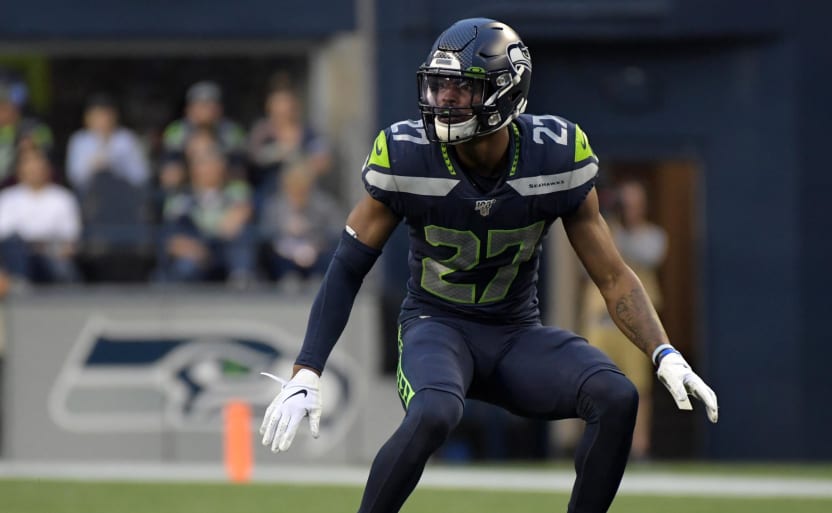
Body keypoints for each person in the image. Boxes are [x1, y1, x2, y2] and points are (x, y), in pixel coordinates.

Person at [259, 18, 718, 513]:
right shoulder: (407, 156)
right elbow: (348, 265)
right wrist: (308, 368)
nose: (444, 99)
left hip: (516, 334)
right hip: (437, 327)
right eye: (438, 85)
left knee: (617, 395)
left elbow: (611, 274)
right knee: (434, 412)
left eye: (461, 87)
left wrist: (663, 351)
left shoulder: (555, 156)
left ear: (507, 91)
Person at [579, 180, 667, 461]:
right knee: (593, 384)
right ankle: (595, 444)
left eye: (633, 202)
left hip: (636, 324)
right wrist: (607, 223)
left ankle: (638, 447)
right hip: (602, 321)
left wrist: (618, 229)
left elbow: (645, 256)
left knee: (638, 387)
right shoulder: (603, 231)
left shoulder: (652, 235)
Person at [157, 148, 255, 287]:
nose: (210, 169)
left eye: (215, 164)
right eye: (204, 164)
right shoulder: (180, 199)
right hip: (194, 250)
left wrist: (239, 215)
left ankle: (242, 279)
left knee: (244, 235)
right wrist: (193, 249)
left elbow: (246, 208)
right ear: (194, 170)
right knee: (185, 267)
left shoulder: (235, 191)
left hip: (224, 245)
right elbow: (171, 236)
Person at [258, 159, 345, 287]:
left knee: (330, 255)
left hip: (317, 252)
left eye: (302, 183)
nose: (298, 188)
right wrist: (283, 228)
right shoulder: (274, 205)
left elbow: (338, 230)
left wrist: (314, 231)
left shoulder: (324, 204)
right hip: (284, 255)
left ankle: (318, 280)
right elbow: (263, 232)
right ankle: (288, 278)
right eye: (293, 183)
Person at [0, 150, 80, 283]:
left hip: (51, 253)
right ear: (20, 171)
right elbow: (4, 232)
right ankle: (20, 285)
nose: (34, 171)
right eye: (29, 167)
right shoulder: (8, 198)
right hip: (17, 253)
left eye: (38, 167)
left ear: (47, 169)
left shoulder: (63, 197)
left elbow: (70, 235)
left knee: (64, 271)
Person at [66, 93, 150, 193]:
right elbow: (74, 177)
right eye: (97, 115)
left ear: (115, 116)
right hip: (91, 198)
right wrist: (92, 166)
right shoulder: (79, 140)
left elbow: (142, 175)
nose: (103, 120)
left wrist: (116, 166)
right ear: (87, 118)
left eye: (106, 114)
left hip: (123, 194)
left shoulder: (127, 139)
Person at [0, 82, 53, 188]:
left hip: (24, 183)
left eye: (4, 108)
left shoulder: (34, 126)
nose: (2, 112)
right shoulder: (3, 131)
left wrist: (31, 144)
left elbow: (48, 146)